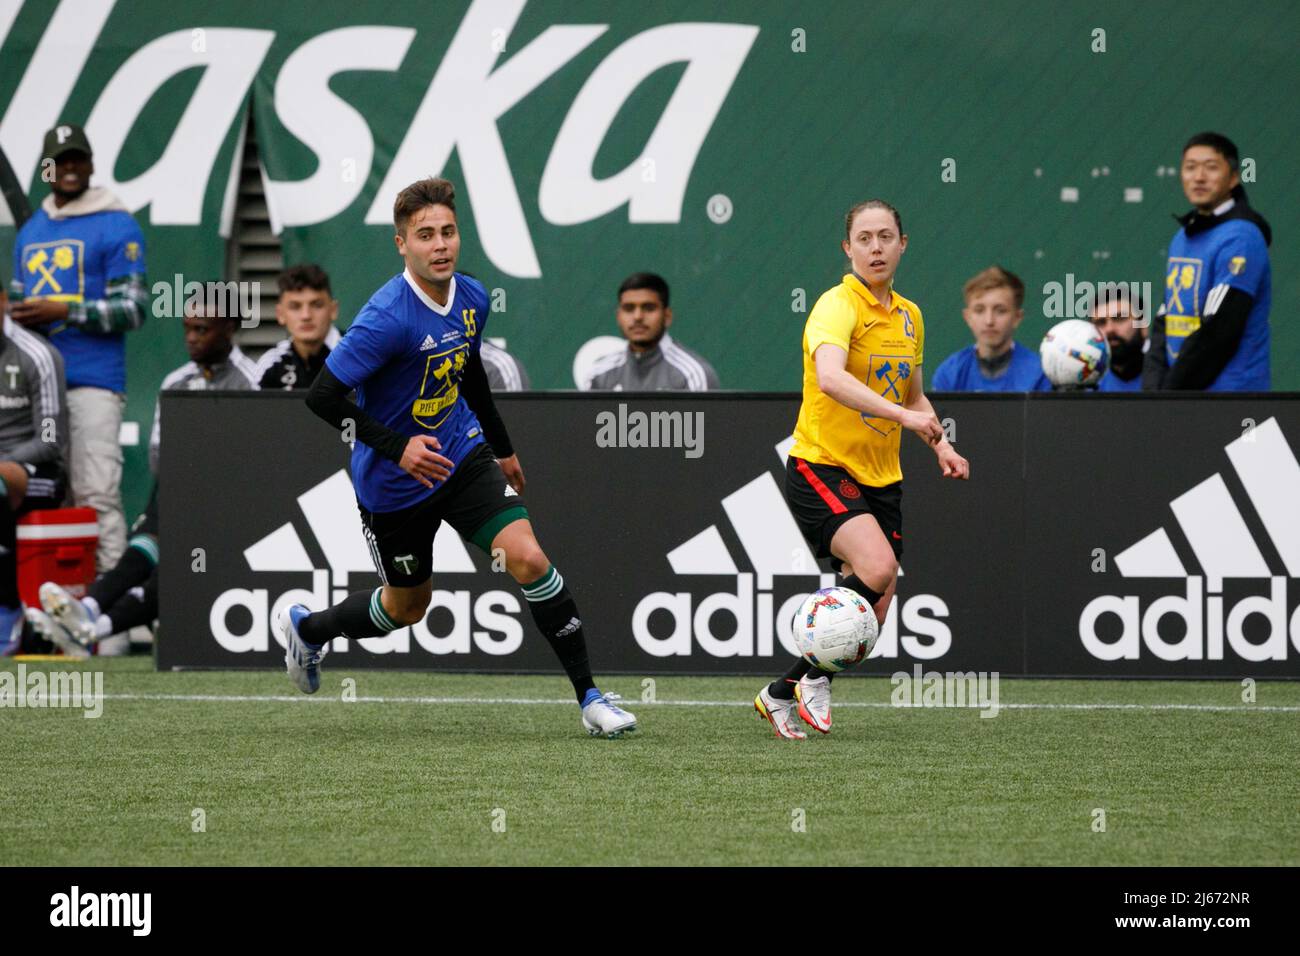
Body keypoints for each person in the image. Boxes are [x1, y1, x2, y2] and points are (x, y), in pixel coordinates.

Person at [288, 177, 636, 738]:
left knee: (529, 560)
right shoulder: (386, 317)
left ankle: (591, 699)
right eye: (425, 235)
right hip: (394, 487)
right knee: (407, 609)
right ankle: (311, 629)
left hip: (460, 456)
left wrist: (502, 448)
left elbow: (468, 369)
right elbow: (322, 397)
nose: (441, 244)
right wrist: (397, 447)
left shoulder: (471, 296)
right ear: (402, 244)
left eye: (448, 231)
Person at [756, 199, 969, 739]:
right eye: (865, 238)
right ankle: (815, 684)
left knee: (876, 606)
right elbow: (830, 378)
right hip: (820, 465)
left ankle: (782, 691)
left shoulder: (910, 315)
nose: (876, 247)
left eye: (886, 237)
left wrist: (940, 443)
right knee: (877, 568)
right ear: (847, 248)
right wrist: (901, 414)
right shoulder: (836, 305)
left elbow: (914, 394)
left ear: (903, 244)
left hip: (882, 476)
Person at [28, 299, 259, 657]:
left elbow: (255, 462)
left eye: (202, 329)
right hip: (177, 496)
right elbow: (158, 458)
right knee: (142, 551)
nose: (192, 338)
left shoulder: (253, 382)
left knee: (165, 568)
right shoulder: (175, 381)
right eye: (187, 328)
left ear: (229, 328)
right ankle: (89, 617)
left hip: (230, 510)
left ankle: (90, 621)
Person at [8, 123, 147, 572]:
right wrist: (20, 314)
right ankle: (55, 608)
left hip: (92, 385)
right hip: (36, 391)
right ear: (45, 169)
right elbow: (17, 302)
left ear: (90, 165)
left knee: (96, 493)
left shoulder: (117, 223)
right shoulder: (31, 231)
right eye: (60, 160)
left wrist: (63, 312)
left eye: (78, 159)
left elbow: (136, 307)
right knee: (50, 493)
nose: (70, 168)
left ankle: (110, 613)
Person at [1143, 132, 1272, 391]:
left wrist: (1168, 395)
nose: (1199, 177)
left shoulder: (1242, 237)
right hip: (1183, 399)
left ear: (1234, 177)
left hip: (1233, 402)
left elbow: (1219, 331)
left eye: (1211, 167)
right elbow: (1165, 318)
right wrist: (1153, 392)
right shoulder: (1183, 236)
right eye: (1190, 168)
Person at [0, 284, 69, 655]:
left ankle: (8, 608)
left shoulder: (37, 355)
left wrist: (5, 462)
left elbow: (51, 438)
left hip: (40, 474)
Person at [583, 272, 719, 390]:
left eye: (648, 308)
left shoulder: (692, 375)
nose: (638, 317)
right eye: (629, 308)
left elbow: (706, 421)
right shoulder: (599, 374)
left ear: (667, 316)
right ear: (619, 317)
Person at [930, 266, 1051, 392]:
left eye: (1000, 311)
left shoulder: (1039, 374)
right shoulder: (949, 374)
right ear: (967, 317)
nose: (989, 321)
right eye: (979, 310)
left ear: (1017, 317)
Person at [255, 264, 341, 390]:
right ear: (280, 314)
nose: (306, 316)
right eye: (295, 307)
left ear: (333, 310)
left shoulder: (356, 355)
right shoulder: (270, 364)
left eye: (317, 305)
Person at [1092, 288, 1145, 392]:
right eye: (1101, 323)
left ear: (1143, 326)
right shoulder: (1082, 386)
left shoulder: (1169, 378)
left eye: (1119, 319)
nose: (1109, 329)